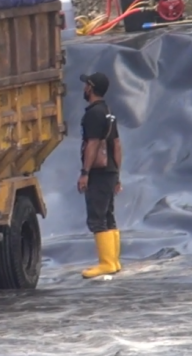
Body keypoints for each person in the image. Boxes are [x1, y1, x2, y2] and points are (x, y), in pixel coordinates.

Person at [76, 72, 123, 279]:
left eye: (86, 84)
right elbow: (117, 145)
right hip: (110, 170)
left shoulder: (93, 114)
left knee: (97, 217)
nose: (84, 88)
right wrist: (117, 175)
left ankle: (106, 264)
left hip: (99, 172)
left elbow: (93, 144)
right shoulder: (108, 112)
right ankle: (113, 261)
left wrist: (85, 173)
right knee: (108, 215)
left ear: (91, 88)